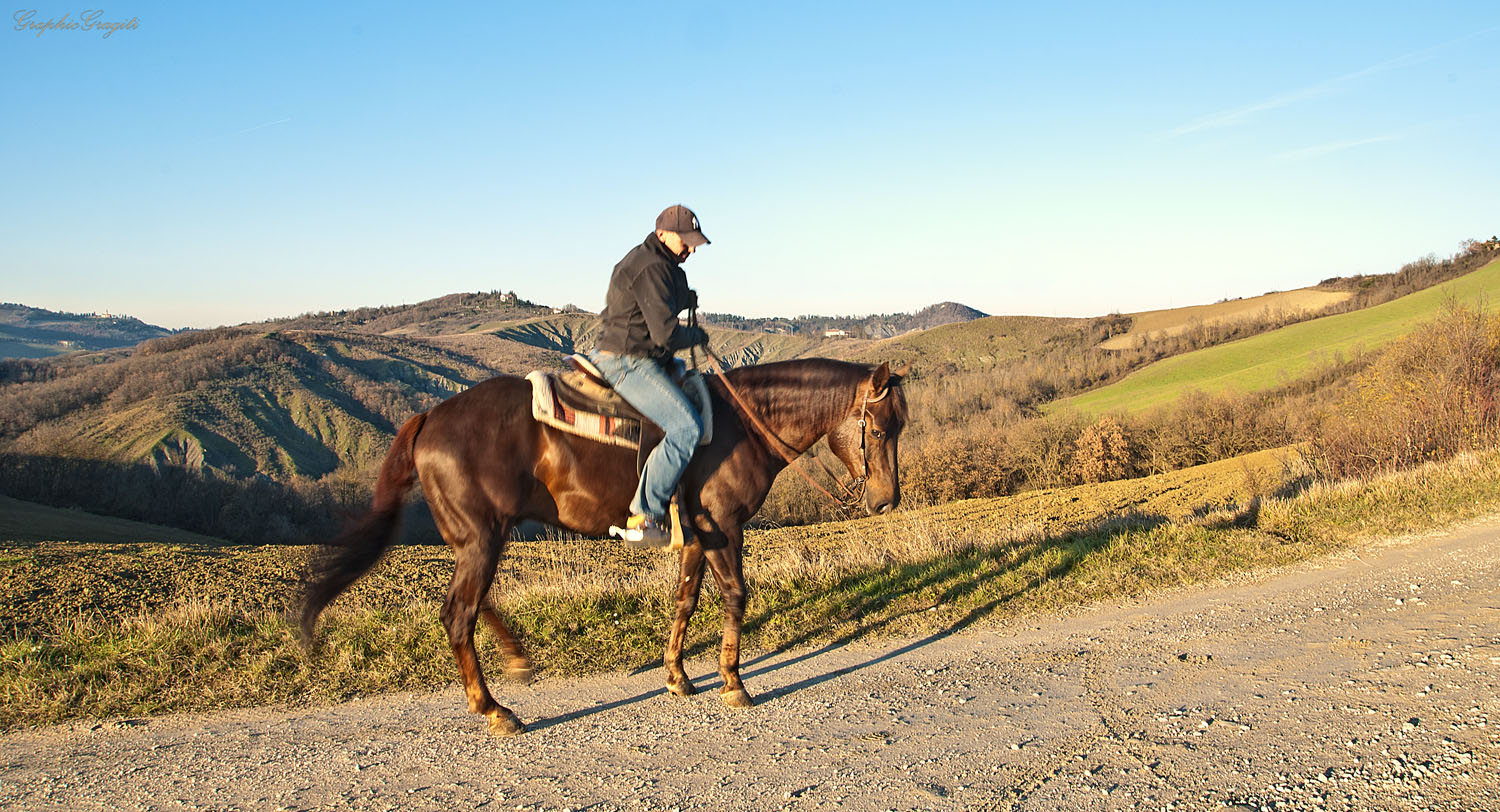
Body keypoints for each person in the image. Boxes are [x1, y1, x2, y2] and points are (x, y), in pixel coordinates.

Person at [590, 204, 712, 547]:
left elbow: (660, 304)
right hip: (628, 360)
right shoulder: (652, 267)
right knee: (687, 428)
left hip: (644, 355)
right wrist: (697, 337)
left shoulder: (662, 264)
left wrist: (684, 297)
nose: (690, 249)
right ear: (662, 234)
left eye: (694, 243)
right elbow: (666, 335)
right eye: (685, 241)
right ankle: (646, 514)